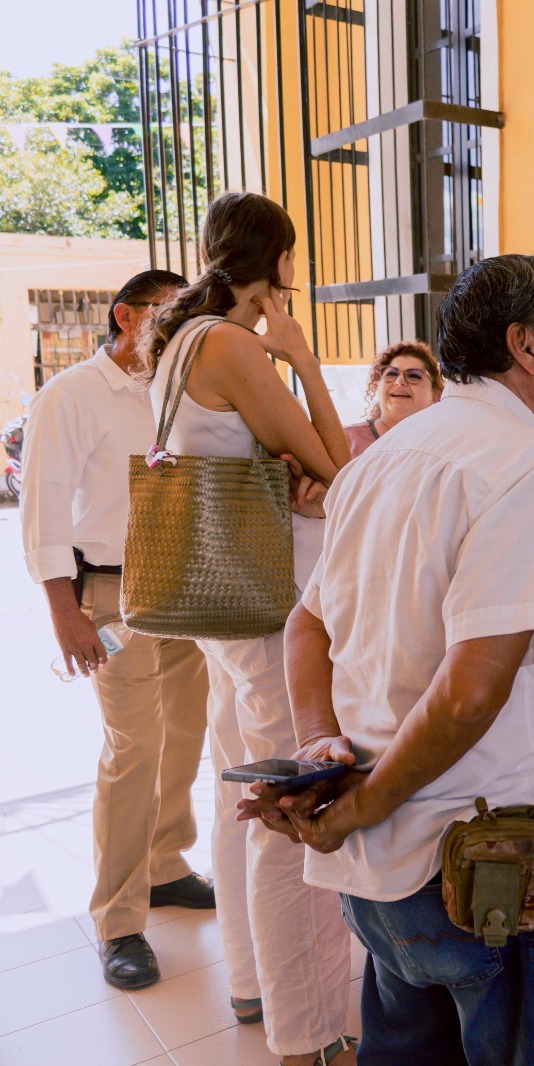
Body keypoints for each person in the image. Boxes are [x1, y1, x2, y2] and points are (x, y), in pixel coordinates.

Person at [244, 253, 534, 1064]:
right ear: (525, 345)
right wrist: (362, 803)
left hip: (380, 884)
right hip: (480, 871)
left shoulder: (386, 457)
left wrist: (319, 747)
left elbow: (308, 625)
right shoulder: (521, 467)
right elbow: (472, 692)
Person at [141, 191, 355, 1066]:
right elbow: (339, 465)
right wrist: (301, 358)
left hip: (221, 607)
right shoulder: (230, 343)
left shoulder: (181, 342)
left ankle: (254, 986)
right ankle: (306, 1035)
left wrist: (283, 456)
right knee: (285, 810)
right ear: (280, 265)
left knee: (239, 801)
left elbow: (273, 454)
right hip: (266, 605)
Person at [20, 268, 215, 990]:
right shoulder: (71, 395)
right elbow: (40, 510)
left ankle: (166, 865)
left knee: (187, 731)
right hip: (111, 589)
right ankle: (118, 918)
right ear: (126, 317)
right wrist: (63, 610)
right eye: (167, 314)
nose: (178, 329)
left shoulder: (179, 390)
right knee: (135, 746)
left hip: (185, 584)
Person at [343, 340, 443, 457]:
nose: (399, 381)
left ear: (436, 394)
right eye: (391, 374)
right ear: (377, 385)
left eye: (414, 375)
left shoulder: (443, 444)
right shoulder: (346, 441)